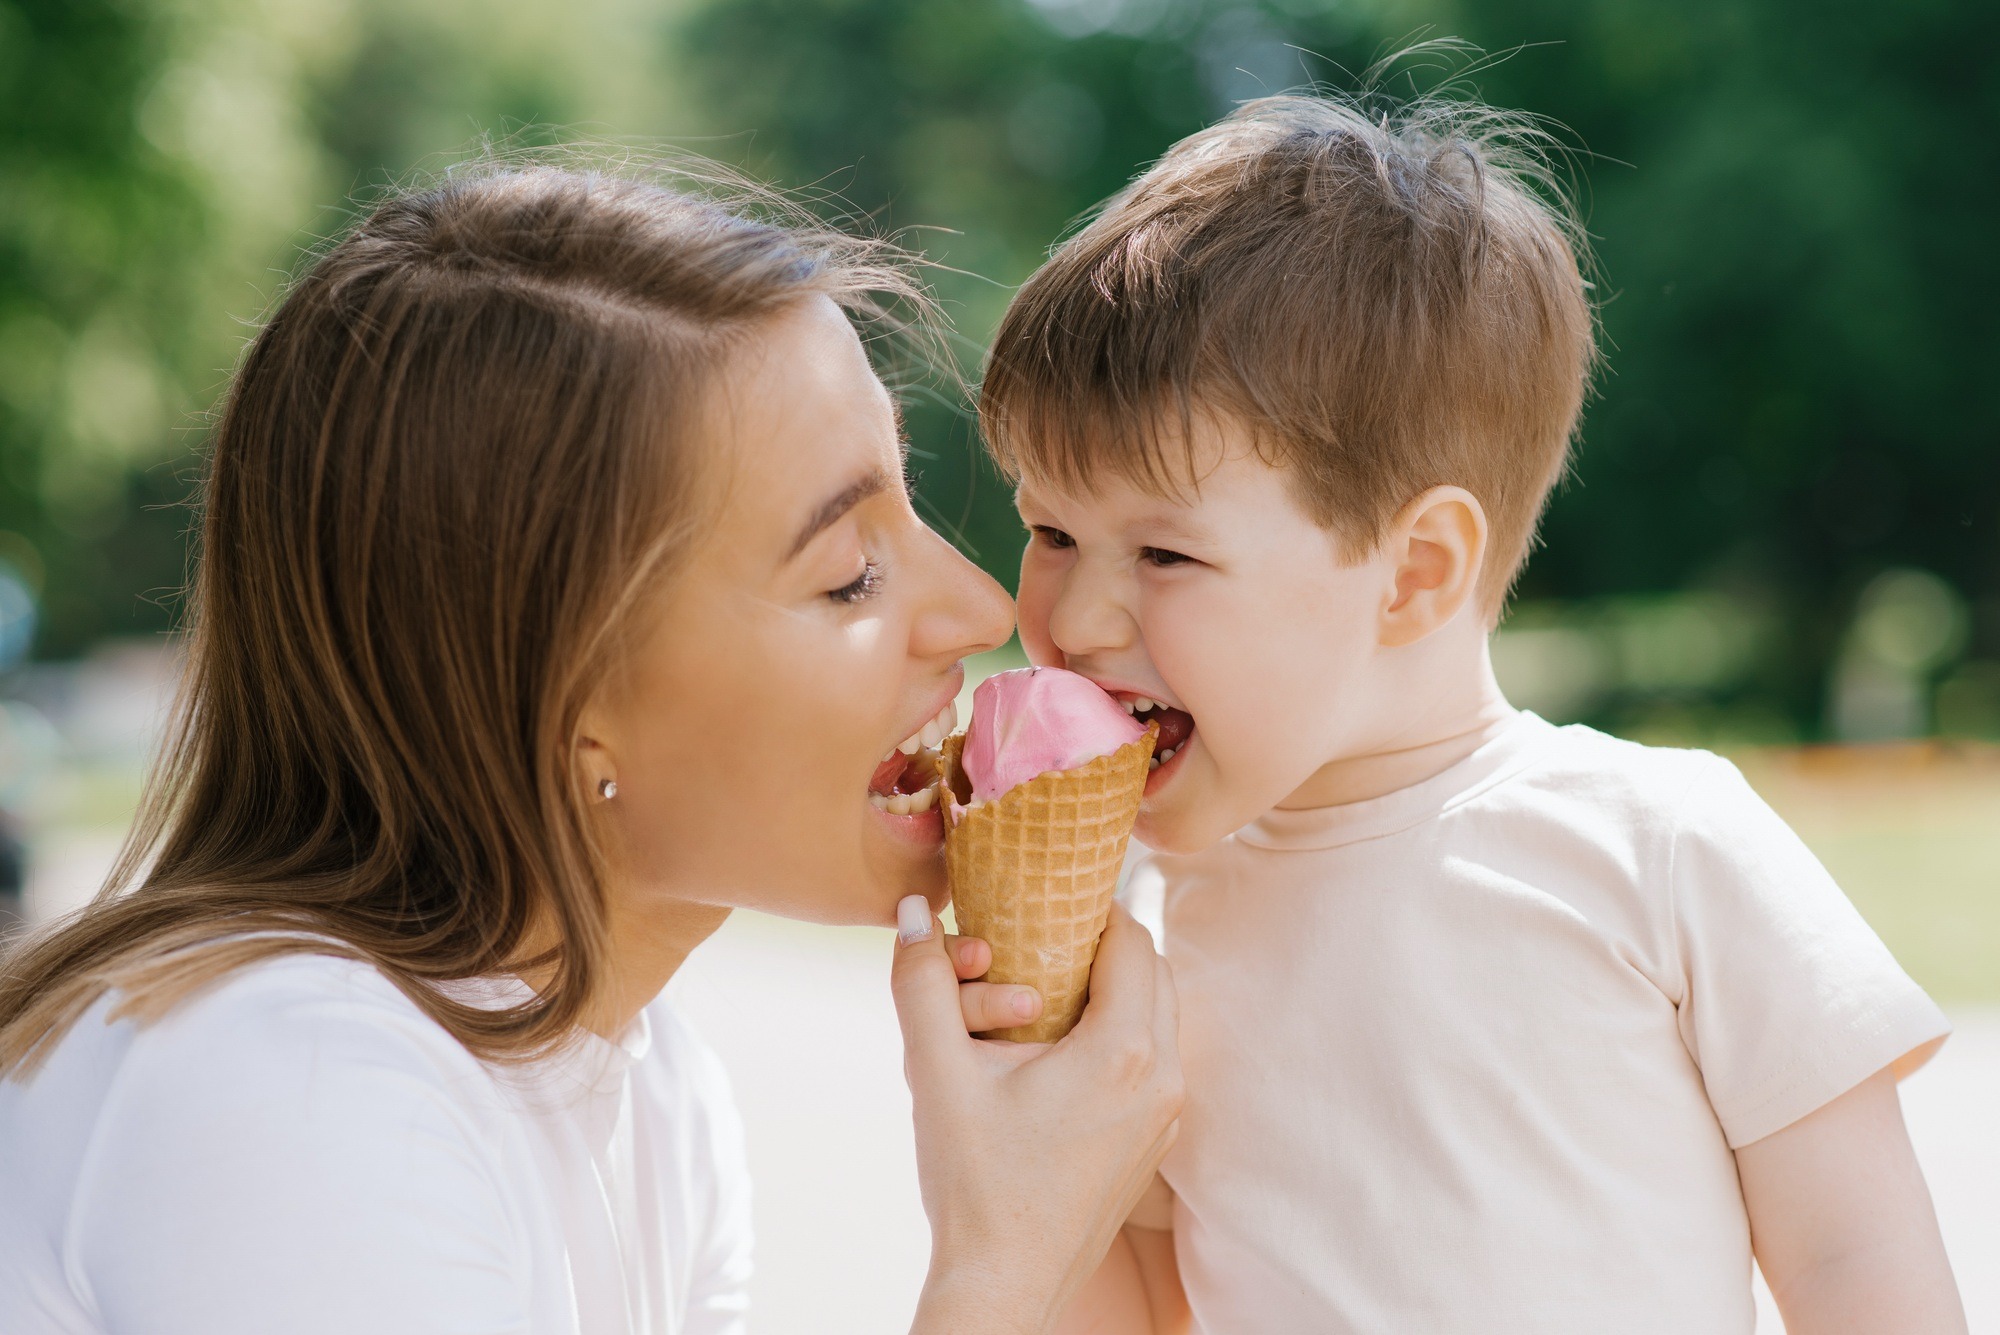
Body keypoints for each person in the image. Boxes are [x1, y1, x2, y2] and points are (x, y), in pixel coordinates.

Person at [0, 162, 1183, 1335]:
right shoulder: (288, 1089)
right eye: (847, 575)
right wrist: (1008, 1263)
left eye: (909, 501)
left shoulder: (650, 1087)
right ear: (565, 707)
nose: (983, 610)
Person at [977, 93, 1966, 1333]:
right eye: (1049, 530)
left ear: (1416, 571)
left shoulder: (1657, 847)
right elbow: (1139, 1306)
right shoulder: (1143, 939)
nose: (1076, 617)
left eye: (1163, 555)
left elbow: (1853, 1266)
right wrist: (1006, 1117)